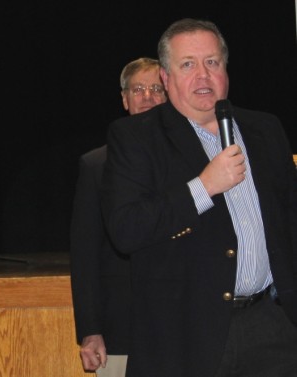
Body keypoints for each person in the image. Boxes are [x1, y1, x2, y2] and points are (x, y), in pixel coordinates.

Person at [101, 18, 297, 377]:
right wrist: (204, 186)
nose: (203, 75)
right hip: (187, 336)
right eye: (188, 64)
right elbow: (126, 230)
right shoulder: (136, 137)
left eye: (212, 62)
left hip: (273, 325)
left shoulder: (265, 129)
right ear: (166, 77)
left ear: (225, 68)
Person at [70, 57, 166, 376]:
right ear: (125, 99)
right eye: (138, 89)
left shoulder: (197, 161)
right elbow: (85, 256)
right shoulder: (96, 166)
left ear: (170, 96)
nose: (148, 97)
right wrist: (90, 329)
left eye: (156, 88)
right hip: (120, 329)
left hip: (185, 324)